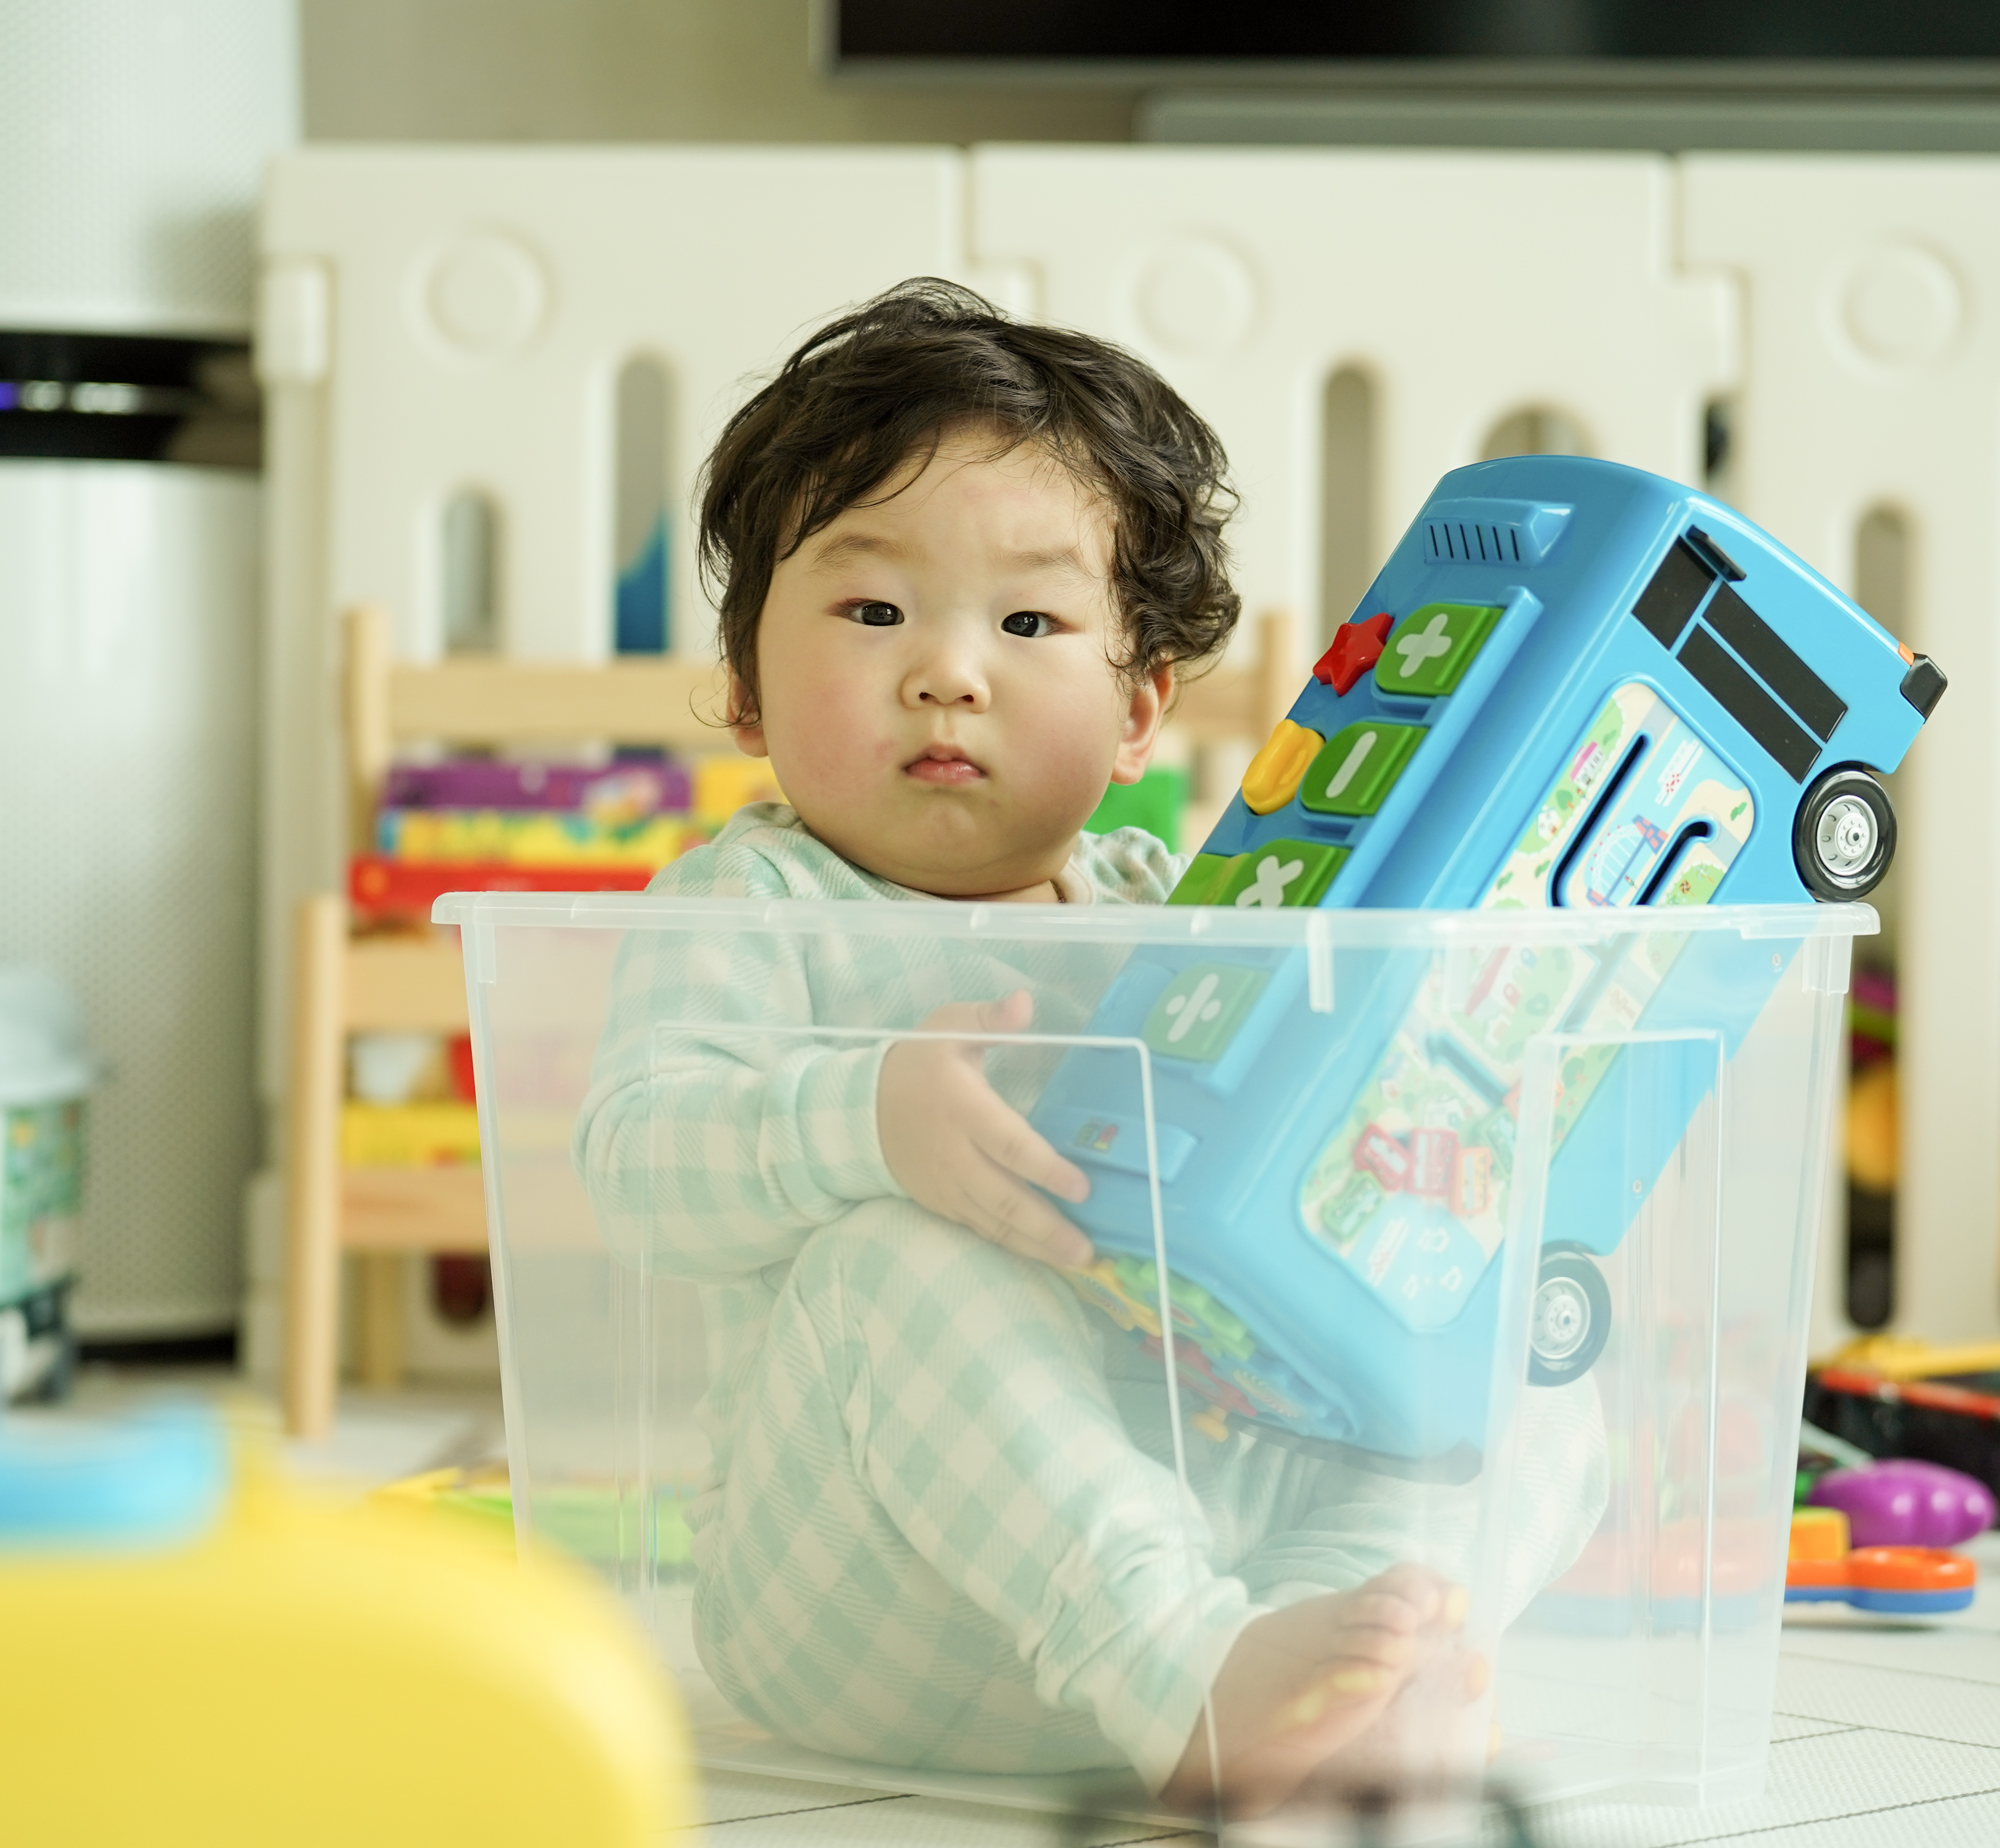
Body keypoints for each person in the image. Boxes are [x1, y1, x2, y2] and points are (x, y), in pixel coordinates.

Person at [575, 279, 1605, 1816]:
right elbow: (634, 1168)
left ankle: (1334, 1667)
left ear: (1137, 714)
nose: (950, 670)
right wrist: (866, 1120)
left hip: (1203, 1529)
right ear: (742, 687)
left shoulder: (1174, 916)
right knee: (894, 1248)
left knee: (1520, 1342)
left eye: (1030, 622)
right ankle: (1192, 1676)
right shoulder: (754, 904)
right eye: (874, 611)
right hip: (862, 1605)